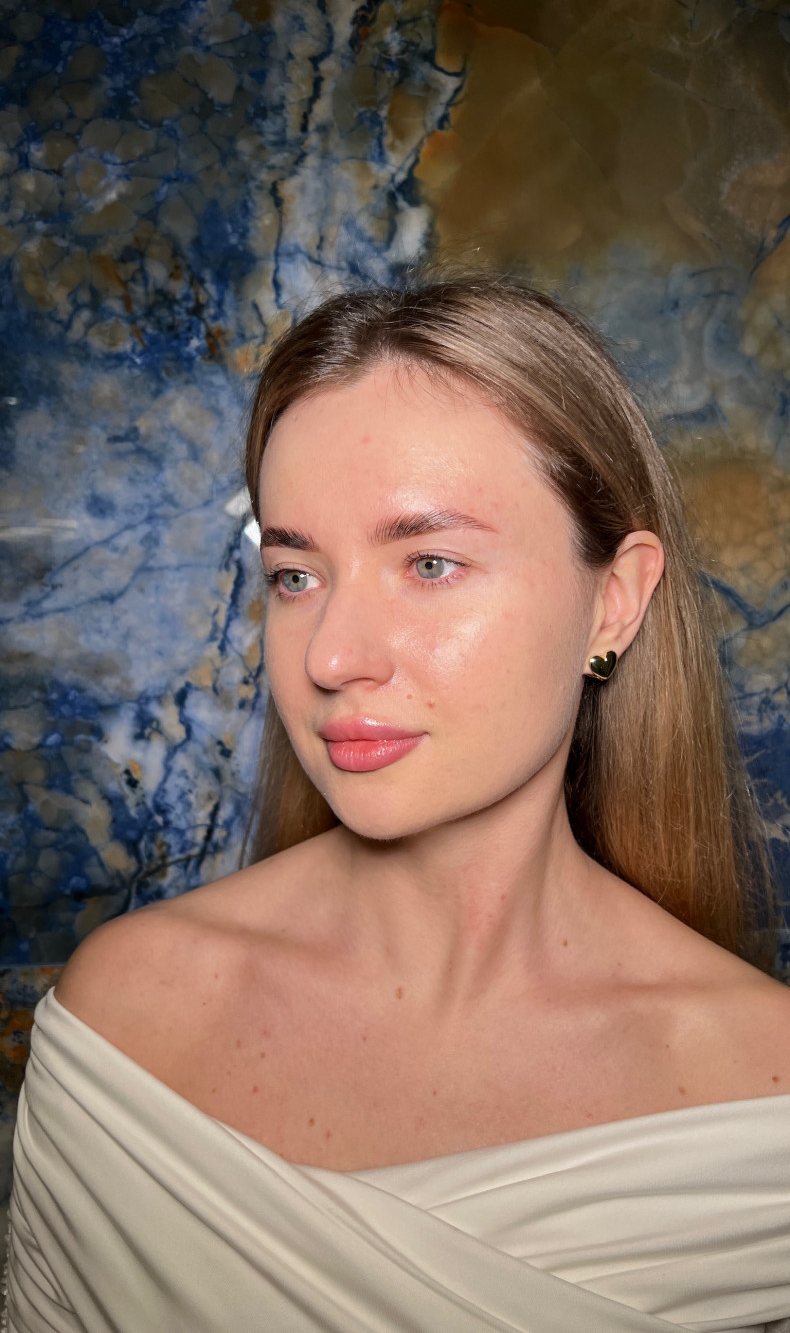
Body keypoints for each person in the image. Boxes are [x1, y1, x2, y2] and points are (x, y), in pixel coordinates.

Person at [4, 276, 790, 1332]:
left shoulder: (762, 1101)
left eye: (428, 563)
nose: (330, 657)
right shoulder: (127, 1022)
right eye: (295, 576)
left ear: (614, 600)